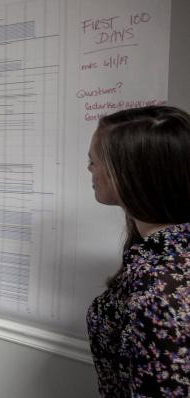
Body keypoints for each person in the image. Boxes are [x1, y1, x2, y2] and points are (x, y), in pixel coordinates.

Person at [86, 105, 190, 396]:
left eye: (93, 162)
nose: (89, 169)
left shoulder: (162, 289)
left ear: (125, 174)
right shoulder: (159, 255)